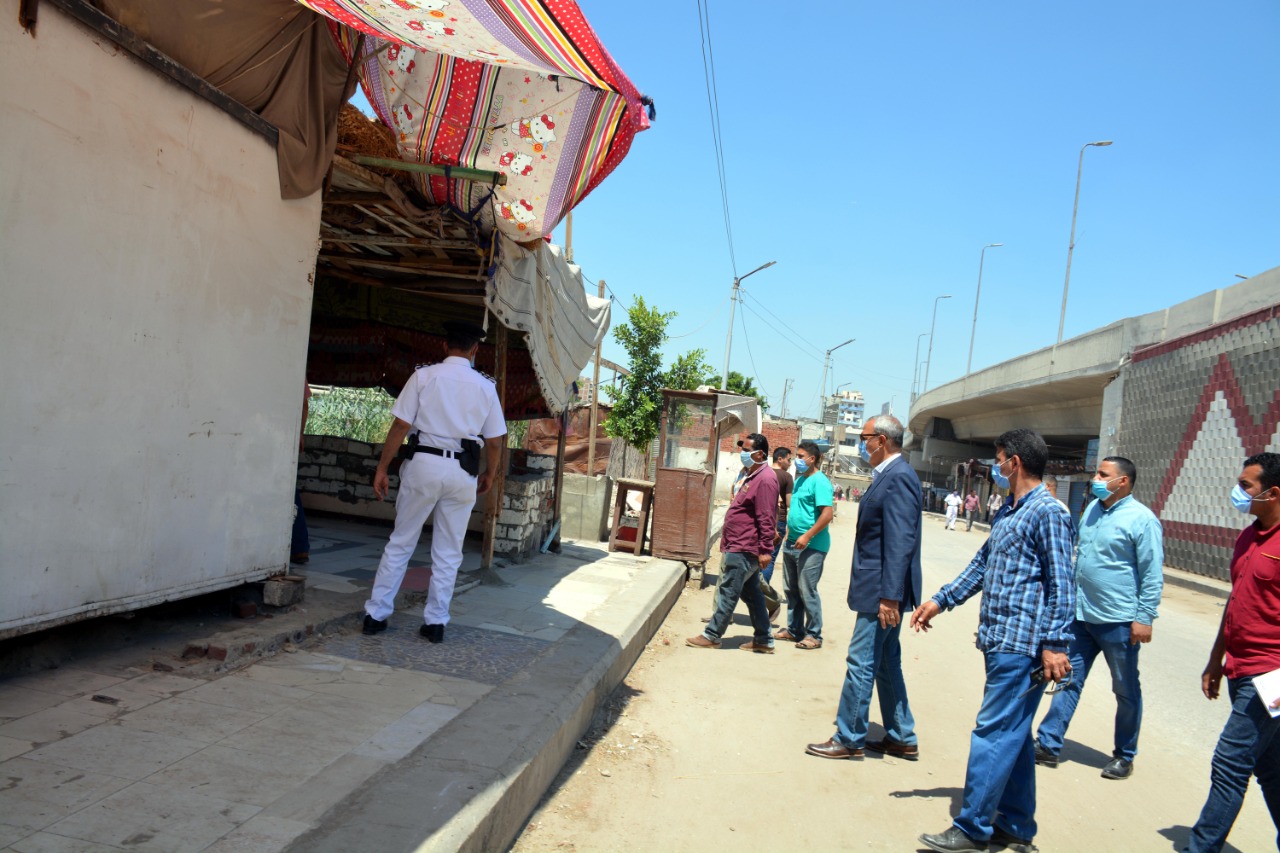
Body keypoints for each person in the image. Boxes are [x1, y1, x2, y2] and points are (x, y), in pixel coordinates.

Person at [911, 428, 1075, 853]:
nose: (995, 468)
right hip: (999, 640)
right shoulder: (1009, 512)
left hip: (1023, 646)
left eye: (998, 460)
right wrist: (940, 600)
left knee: (993, 732)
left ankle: (972, 827)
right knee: (1013, 736)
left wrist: (1056, 642)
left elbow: (1062, 584)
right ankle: (1018, 827)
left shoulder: (1049, 513)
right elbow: (982, 566)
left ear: (1014, 462)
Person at [362, 320, 507, 643]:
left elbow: (401, 425)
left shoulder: (423, 376)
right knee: (448, 550)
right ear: (474, 350)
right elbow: (495, 441)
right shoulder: (485, 387)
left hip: (423, 464)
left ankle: (375, 615)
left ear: (445, 346)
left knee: (401, 541)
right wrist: (490, 474)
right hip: (462, 472)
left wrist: (382, 468)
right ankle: (436, 623)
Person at [1033, 456, 1163, 780]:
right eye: (1097, 473)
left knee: (1125, 688)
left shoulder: (1142, 520)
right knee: (1067, 679)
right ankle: (1048, 745)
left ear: (1123, 481)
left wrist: (1144, 618)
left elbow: (1152, 574)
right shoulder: (1092, 509)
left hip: (1119, 621)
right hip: (1081, 615)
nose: (1095, 478)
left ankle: (1124, 754)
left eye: (1103, 474)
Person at [806, 415, 922, 761]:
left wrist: (889, 596)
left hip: (881, 591)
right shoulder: (889, 475)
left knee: (862, 661)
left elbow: (900, 541)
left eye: (865, 437)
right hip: (881, 587)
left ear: (882, 440)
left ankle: (850, 736)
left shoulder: (899, 477)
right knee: (886, 661)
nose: (862, 443)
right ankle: (901, 735)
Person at [1183, 452, 1280, 853]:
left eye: (1246, 486)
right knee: (1271, 768)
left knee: (1230, 761)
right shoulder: (1248, 535)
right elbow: (1236, 600)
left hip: (1272, 673)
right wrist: (1215, 660)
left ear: (1272, 493)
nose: (1237, 492)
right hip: (1240, 668)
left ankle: (1200, 848)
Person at [687, 433, 778, 653]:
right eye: (742, 450)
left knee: (728, 590)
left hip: (745, 546)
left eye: (747, 451)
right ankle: (764, 639)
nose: (743, 454)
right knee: (751, 593)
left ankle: (713, 634)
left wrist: (766, 549)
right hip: (739, 542)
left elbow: (766, 517)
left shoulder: (765, 479)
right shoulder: (751, 475)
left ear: (760, 454)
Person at [776, 441, 833, 650]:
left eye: (801, 456)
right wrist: (789, 534)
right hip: (792, 543)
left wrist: (807, 536)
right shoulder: (800, 480)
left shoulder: (820, 481)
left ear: (812, 459)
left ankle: (814, 634)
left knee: (807, 589)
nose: (798, 460)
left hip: (812, 545)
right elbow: (796, 511)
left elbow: (827, 514)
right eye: (796, 456)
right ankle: (794, 629)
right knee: (791, 589)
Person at [763, 447, 794, 587]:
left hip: (761, 519)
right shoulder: (787, 477)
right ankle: (762, 591)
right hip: (778, 521)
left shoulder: (763, 472)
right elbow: (788, 503)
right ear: (780, 459)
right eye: (789, 460)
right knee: (770, 557)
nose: (791, 463)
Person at [291, 383, 312, 565]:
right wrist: (299, 433)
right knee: (290, 490)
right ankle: (300, 548)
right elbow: (304, 404)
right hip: (287, 434)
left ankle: (299, 547)